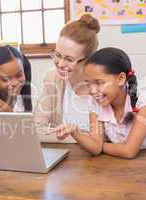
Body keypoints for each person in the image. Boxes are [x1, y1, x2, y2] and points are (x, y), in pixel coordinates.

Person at [54, 47, 146, 158]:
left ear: (121, 79)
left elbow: (129, 151)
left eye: (99, 83)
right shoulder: (96, 103)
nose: (92, 90)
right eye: (88, 84)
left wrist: (100, 145)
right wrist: (75, 132)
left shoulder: (145, 102)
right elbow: (95, 148)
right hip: (120, 164)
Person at [34, 14, 100, 142]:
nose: (60, 64)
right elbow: (36, 130)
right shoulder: (52, 78)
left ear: (88, 60)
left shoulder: (104, 85)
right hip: (66, 156)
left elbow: (113, 137)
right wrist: (85, 139)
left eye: (69, 59)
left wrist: (66, 135)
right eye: (57, 55)